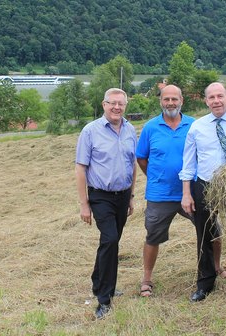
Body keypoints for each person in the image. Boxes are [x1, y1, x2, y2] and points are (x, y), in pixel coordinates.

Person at [136, 85, 226, 298]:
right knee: (153, 235)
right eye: (166, 99)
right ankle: (147, 279)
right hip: (161, 194)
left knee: (213, 229)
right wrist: (156, 176)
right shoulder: (151, 127)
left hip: (193, 191)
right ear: (161, 101)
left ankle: (216, 266)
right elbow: (142, 158)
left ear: (181, 101)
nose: (170, 103)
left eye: (174, 99)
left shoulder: (194, 125)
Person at [179, 82, 226, 302]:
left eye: (220, 96)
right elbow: (188, 163)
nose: (216, 101)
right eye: (211, 97)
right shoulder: (197, 127)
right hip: (206, 185)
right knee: (205, 234)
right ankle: (205, 283)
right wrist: (187, 193)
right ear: (206, 101)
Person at [75, 88, 137, 319]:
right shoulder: (90, 131)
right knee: (110, 240)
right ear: (104, 104)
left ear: (125, 106)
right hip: (100, 195)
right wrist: (84, 204)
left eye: (121, 104)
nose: (117, 108)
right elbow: (81, 168)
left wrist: (131, 196)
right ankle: (104, 299)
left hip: (122, 196)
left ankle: (97, 282)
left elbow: (132, 166)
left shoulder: (130, 130)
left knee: (111, 241)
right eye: (113, 103)